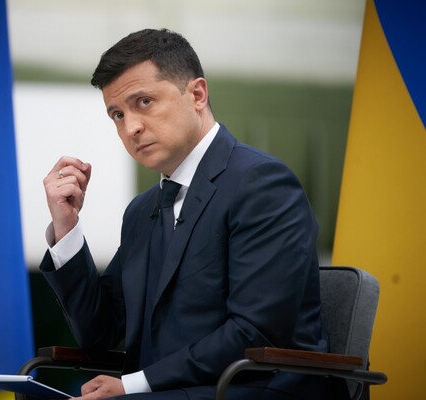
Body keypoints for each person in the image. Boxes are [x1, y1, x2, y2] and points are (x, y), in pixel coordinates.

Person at [40, 28, 329, 400]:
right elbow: (102, 333)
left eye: (144, 101)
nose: (131, 127)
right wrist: (66, 228)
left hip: (249, 389)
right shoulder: (141, 211)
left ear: (197, 95)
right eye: (117, 114)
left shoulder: (262, 184)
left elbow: (254, 334)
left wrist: (132, 385)